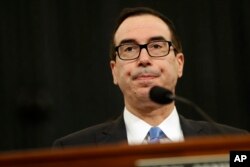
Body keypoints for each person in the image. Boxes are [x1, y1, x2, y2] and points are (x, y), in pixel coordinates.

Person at [53, 7, 248, 148]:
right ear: (114, 71)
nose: (144, 59)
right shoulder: (73, 150)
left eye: (156, 46)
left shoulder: (235, 144)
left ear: (179, 64)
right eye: (129, 49)